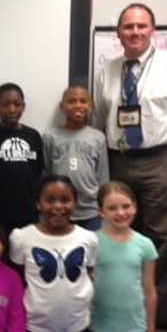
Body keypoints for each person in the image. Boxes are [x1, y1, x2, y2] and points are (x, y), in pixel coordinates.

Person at [91, 3, 167, 332]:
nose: (135, 32)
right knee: (120, 246)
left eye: (142, 26)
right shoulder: (107, 70)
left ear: (152, 30)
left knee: (161, 246)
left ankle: (161, 330)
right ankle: (120, 324)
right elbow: (100, 118)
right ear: (119, 33)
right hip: (120, 162)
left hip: (160, 162)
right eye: (128, 26)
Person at [9, 175, 98, 332]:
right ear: (38, 203)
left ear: (75, 203)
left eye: (65, 200)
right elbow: (19, 275)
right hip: (37, 328)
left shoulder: (87, 238)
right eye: (50, 200)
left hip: (76, 326)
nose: (58, 207)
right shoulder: (22, 237)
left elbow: (88, 272)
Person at [91, 181, 158, 332]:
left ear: (135, 207)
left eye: (126, 206)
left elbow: (150, 291)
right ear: (101, 212)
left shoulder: (145, 245)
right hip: (99, 329)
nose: (120, 213)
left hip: (133, 330)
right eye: (112, 208)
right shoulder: (91, 242)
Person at [0, 83, 43, 237]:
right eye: (5, 105)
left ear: (23, 106)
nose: (12, 109)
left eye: (17, 104)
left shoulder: (33, 136)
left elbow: (38, 172)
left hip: (27, 212)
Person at [42, 86, 109, 231]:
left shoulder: (98, 137)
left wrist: (103, 206)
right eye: (71, 101)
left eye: (83, 101)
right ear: (62, 106)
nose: (78, 105)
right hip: (59, 210)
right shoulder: (50, 136)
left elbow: (103, 176)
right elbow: (46, 173)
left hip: (91, 211)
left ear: (90, 106)